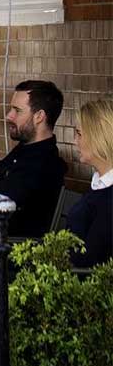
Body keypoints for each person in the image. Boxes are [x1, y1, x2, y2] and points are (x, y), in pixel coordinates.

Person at [0, 80, 67, 238]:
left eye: (17, 110)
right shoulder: (22, 150)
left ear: (39, 117)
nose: (9, 115)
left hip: (7, 253)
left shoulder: (44, 164)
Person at [68, 98, 113, 267]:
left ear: (99, 136)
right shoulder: (99, 186)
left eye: (79, 134)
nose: (75, 141)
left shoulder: (109, 198)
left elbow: (90, 259)